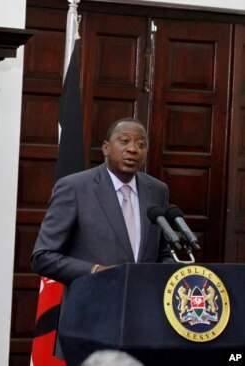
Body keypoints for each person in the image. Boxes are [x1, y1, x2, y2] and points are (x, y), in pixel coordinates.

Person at [30, 117, 175, 359]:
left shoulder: (157, 191)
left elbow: (162, 254)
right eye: (124, 141)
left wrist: (168, 275)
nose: (133, 149)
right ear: (106, 148)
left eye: (141, 144)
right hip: (92, 321)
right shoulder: (75, 187)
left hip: (145, 324)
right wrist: (97, 271)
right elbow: (42, 257)